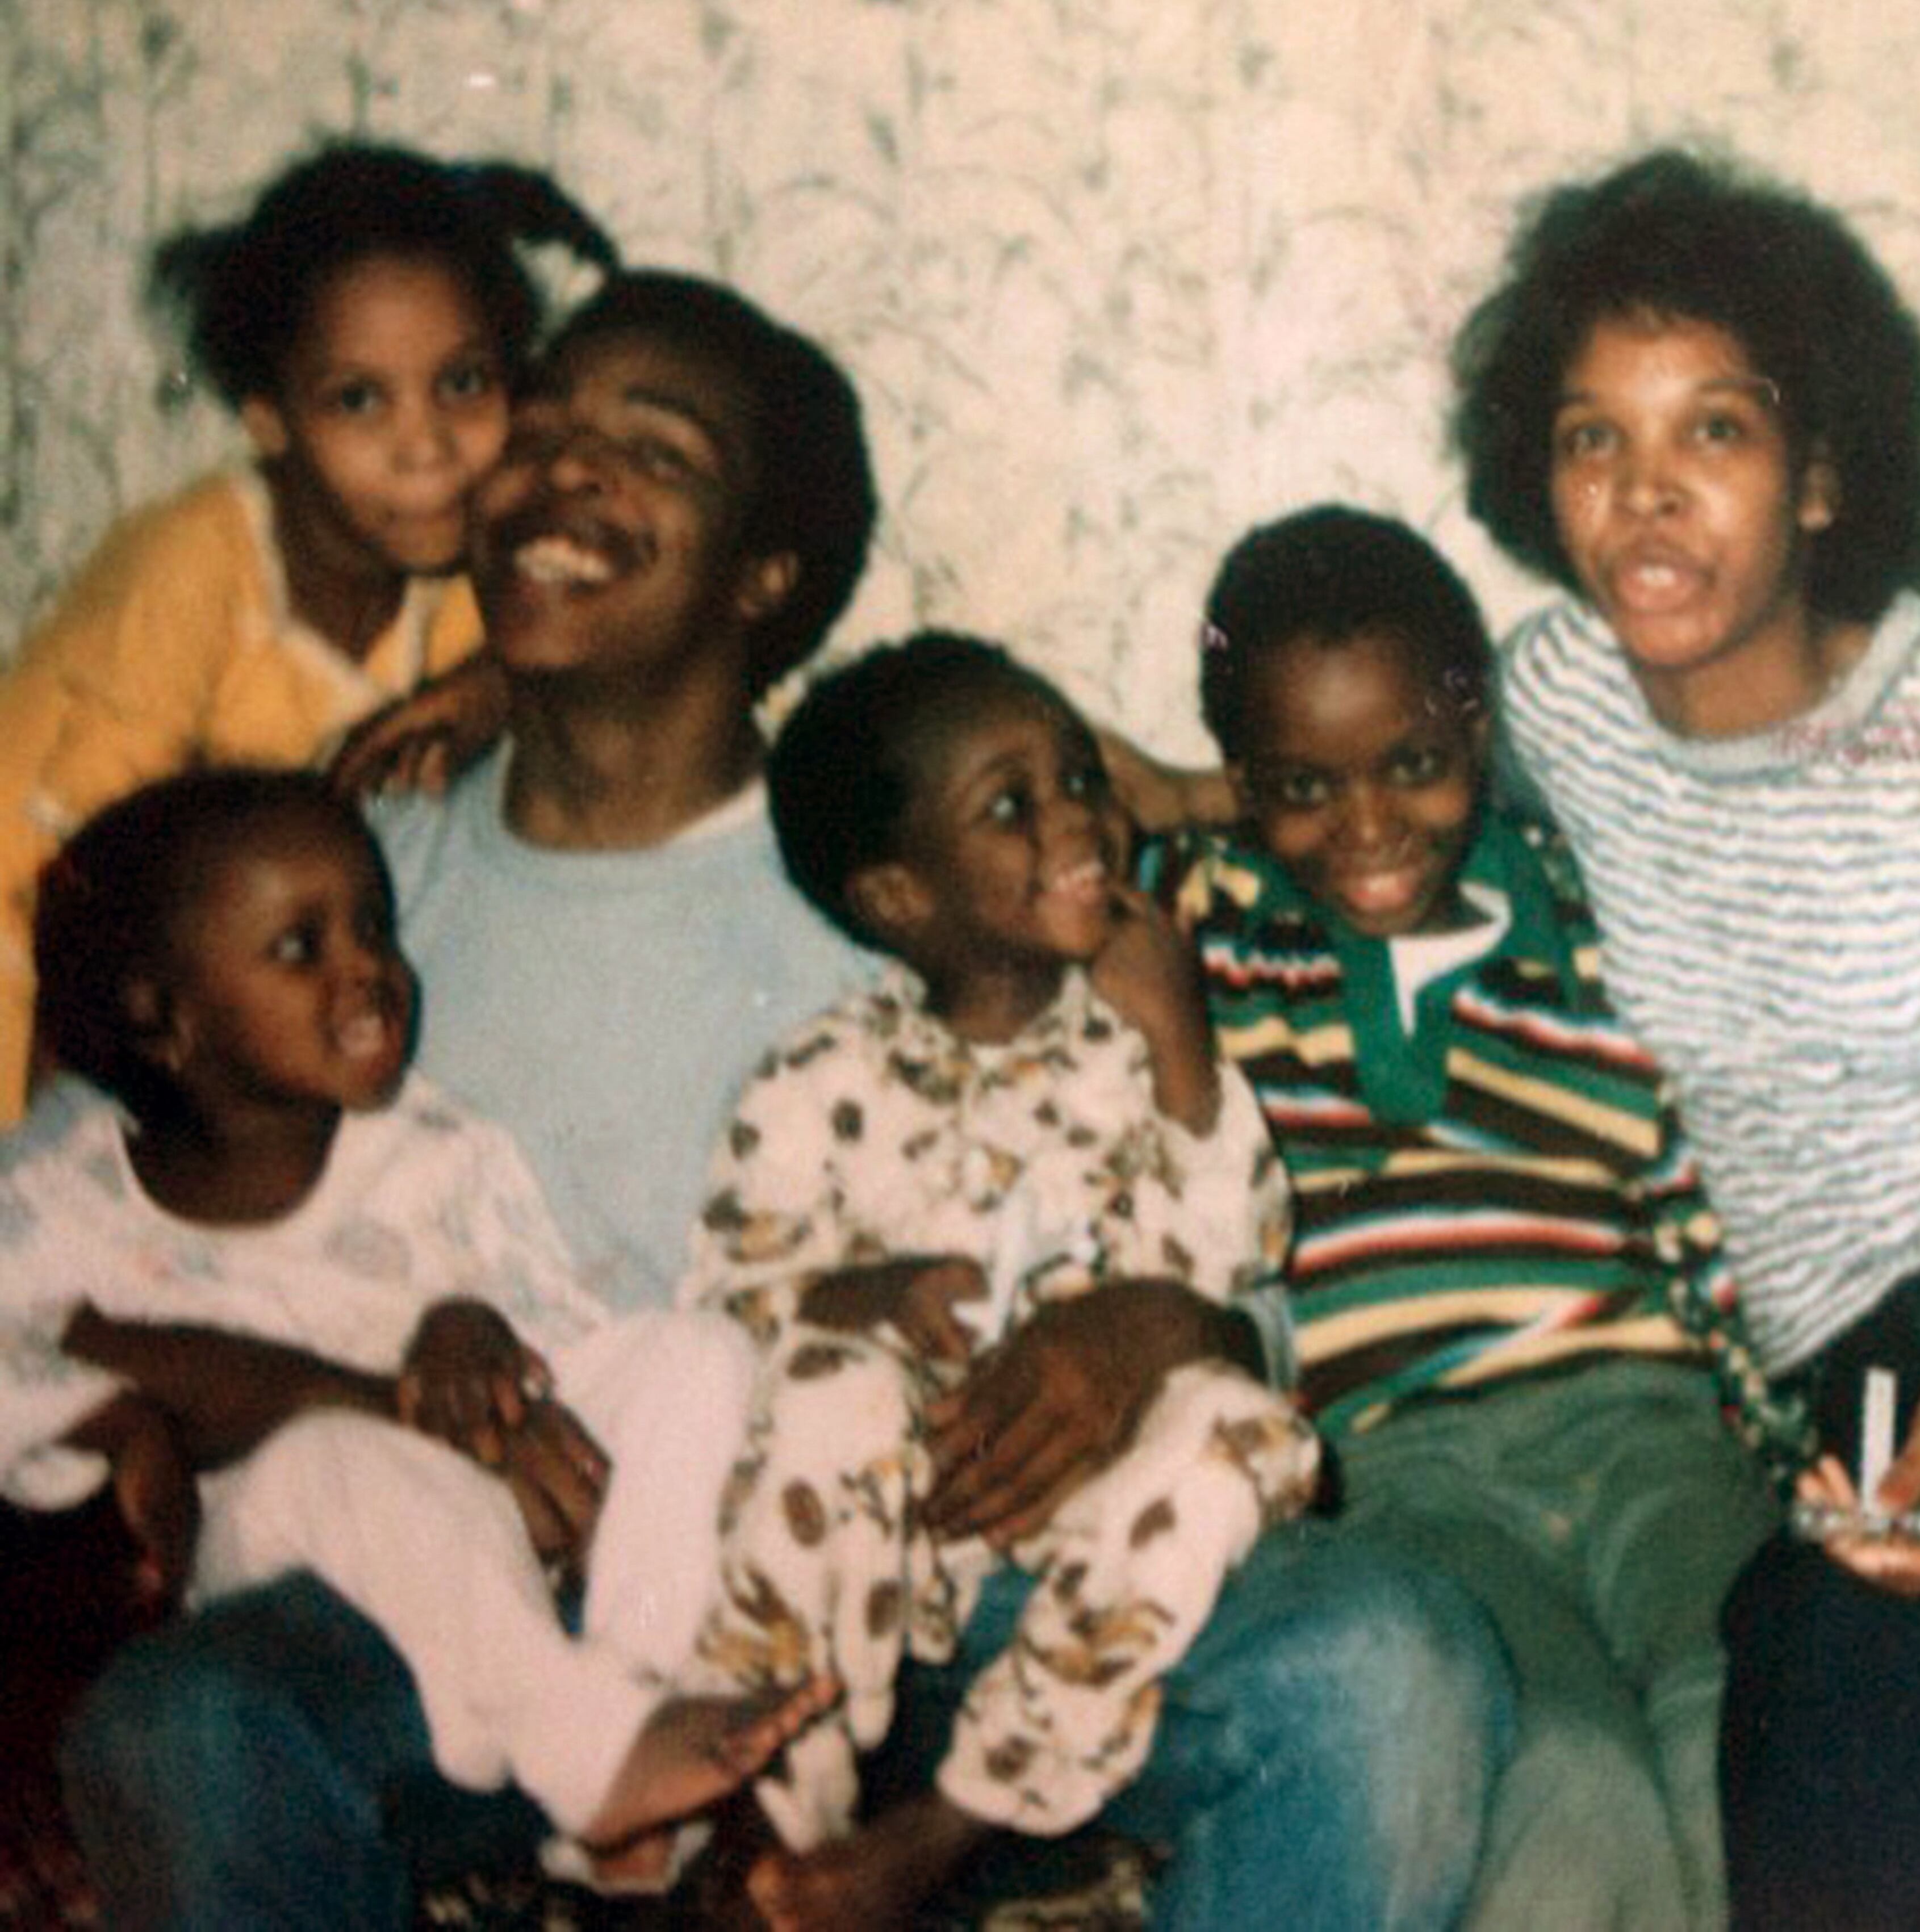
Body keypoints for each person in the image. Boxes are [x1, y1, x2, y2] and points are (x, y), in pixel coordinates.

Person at [62, 269, 1507, 1931]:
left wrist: (1160, 1330)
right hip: (502, 1618)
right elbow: (83, 1215)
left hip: (936, 1590)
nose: (566, 471)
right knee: (185, 1725)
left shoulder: (926, 852)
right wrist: (179, 1404)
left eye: (653, 449)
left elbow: (1231, 1244)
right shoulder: (343, 891)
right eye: (536, 431)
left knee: (1391, 1663)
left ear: (766, 576)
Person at [1450, 146, 1920, 1928]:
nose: (1645, 498)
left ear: (1825, 473)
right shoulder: (1548, 697)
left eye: (1715, 431)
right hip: (1851, 1369)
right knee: (1838, 1671)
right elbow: (1336, 793)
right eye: (1590, 437)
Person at [1140, 503, 1798, 1931]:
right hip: (1407, 1472)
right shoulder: (1211, 929)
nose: (1368, 828)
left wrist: (1787, 1449)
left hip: (1650, 1431)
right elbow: (1053, 835)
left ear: (1482, 738)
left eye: (1416, 766)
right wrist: (1200, 806)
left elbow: (1697, 1211)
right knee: (1567, 1776)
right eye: (1302, 786)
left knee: (1740, 1719)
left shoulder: (1594, 918)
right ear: (1240, 782)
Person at [2, 768, 831, 1891]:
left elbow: (560, 1334)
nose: (371, 969)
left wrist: (477, 1330)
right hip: (287, 1558)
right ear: (163, 1018)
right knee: (347, 1455)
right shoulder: (65, 1194)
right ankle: (584, 1744)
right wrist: (119, 1409)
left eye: (375, 926)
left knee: (693, 1355)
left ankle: (631, 1726)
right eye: (302, 947)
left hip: (498, 1536)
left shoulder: (440, 1147)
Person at [681, 632, 1321, 1929]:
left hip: (1091, 1510)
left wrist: (1183, 1045)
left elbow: (1231, 1267)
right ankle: (758, 1812)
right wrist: (868, 1298)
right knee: (821, 1390)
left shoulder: (1140, 1042)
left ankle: (956, 1817)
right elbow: (731, 1303)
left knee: (1246, 1429)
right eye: (1013, 805)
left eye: (1079, 776)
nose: (1081, 817)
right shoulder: (819, 1076)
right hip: (896, 1499)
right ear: (901, 897)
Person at [0, 140, 616, 1123]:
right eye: (359, 400)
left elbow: (586, 660)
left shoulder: (460, 573)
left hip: (198, 1005)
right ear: (270, 420)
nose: (426, 449)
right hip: (36, 962)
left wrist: (487, 690)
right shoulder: (194, 563)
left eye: (462, 384)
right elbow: (81, 890)